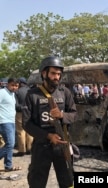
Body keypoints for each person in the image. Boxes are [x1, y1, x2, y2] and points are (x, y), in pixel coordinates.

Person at [22, 56, 77, 188]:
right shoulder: (32, 95)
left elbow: (74, 114)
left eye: (59, 74)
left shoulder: (65, 93)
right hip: (41, 146)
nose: (56, 77)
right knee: (37, 182)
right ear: (44, 73)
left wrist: (62, 115)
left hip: (62, 146)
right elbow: (26, 123)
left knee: (67, 181)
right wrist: (48, 136)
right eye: (53, 73)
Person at [0, 77, 21, 172]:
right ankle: (8, 165)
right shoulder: (2, 93)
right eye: (12, 85)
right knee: (10, 144)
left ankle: (8, 165)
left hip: (11, 121)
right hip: (4, 121)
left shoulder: (12, 94)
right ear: (7, 84)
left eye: (16, 86)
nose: (14, 87)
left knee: (10, 144)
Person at [13, 77, 33, 157]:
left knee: (21, 131)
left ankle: (22, 150)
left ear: (20, 83)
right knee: (30, 130)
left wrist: (22, 107)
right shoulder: (30, 91)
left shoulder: (17, 92)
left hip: (20, 113)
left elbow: (16, 105)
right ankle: (30, 149)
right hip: (30, 113)